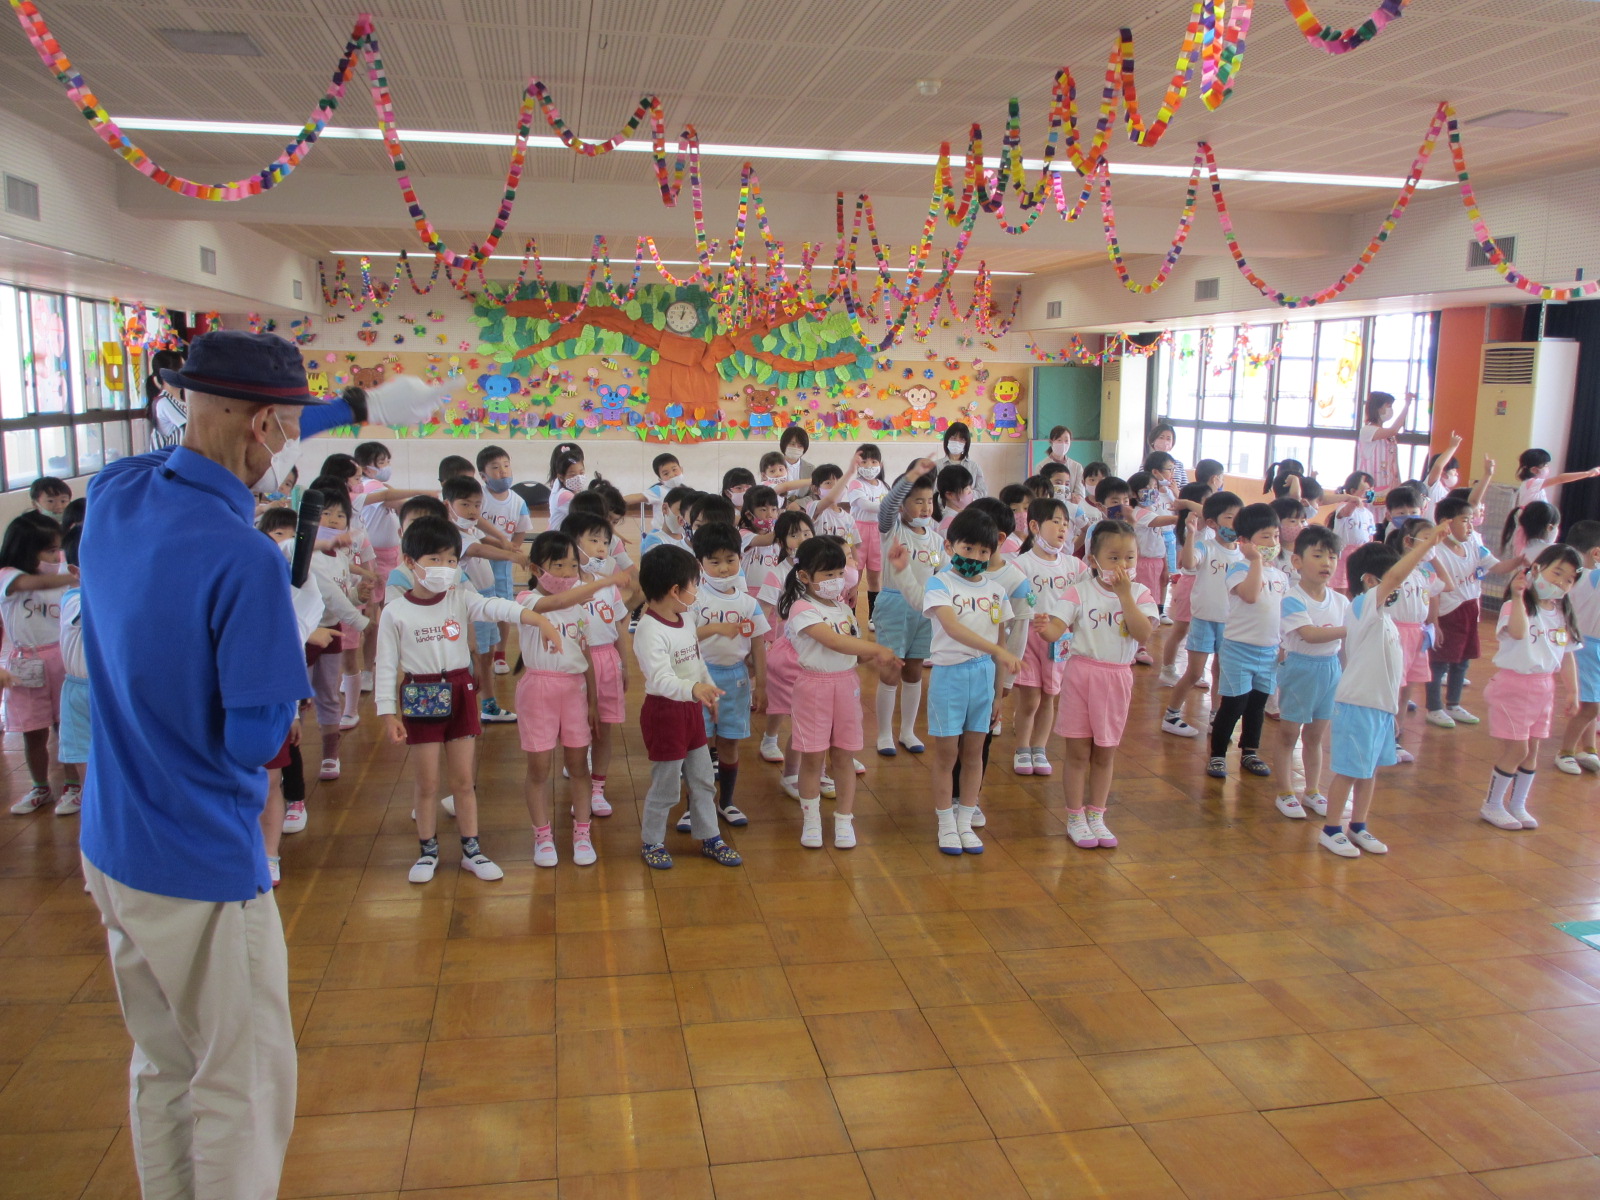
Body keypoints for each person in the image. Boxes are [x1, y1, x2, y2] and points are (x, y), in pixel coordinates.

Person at [78, 330, 320, 1198]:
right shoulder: (246, 560)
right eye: (287, 428)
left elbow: (215, 435)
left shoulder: (114, 492)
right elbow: (255, 741)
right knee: (243, 1085)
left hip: (113, 841)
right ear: (262, 425)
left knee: (164, 1063)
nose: (289, 446)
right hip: (201, 862)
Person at [376, 515, 560, 883]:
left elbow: (497, 608)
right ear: (410, 562)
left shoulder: (461, 597)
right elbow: (384, 666)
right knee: (427, 783)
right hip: (421, 694)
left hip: (460, 689)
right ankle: (427, 851)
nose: (444, 568)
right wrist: (386, 713)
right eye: (434, 559)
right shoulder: (395, 611)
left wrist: (536, 617)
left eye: (450, 560)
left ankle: (471, 849)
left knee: (463, 780)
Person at [1317, 529, 1443, 856]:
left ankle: (1358, 826)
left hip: (1379, 708)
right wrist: (1427, 544)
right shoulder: (1363, 605)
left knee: (1369, 769)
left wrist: (1391, 713)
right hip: (1357, 705)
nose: (1400, 587)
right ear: (1372, 580)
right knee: (1349, 769)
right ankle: (1331, 829)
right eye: (1394, 581)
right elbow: (1398, 573)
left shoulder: (1385, 618)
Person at [1037, 518, 1157, 850]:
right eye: (1114, 557)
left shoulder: (1141, 594)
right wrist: (1043, 626)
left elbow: (1143, 633)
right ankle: (1075, 815)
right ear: (1093, 560)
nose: (1123, 565)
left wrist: (1125, 597)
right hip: (1081, 674)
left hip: (1117, 677)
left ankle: (1097, 815)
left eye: (1130, 557)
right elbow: (1055, 630)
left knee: (1105, 752)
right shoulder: (1079, 591)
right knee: (1077, 752)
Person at [783, 536, 899, 848]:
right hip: (814, 687)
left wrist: (879, 660)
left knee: (844, 757)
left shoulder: (844, 610)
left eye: (838, 573)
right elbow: (833, 642)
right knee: (813, 758)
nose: (836, 580)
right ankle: (811, 820)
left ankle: (844, 820)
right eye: (827, 574)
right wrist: (877, 648)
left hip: (846, 684)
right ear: (805, 576)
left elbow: (855, 652)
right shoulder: (801, 608)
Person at [633, 545, 744, 869]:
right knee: (667, 785)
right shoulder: (649, 630)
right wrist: (694, 689)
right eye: (694, 585)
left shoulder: (685, 618)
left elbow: (696, 661)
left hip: (691, 709)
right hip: (664, 713)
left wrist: (707, 692)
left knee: (702, 779)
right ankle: (651, 841)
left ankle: (710, 836)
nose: (697, 591)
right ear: (674, 590)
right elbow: (661, 678)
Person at [921, 510, 1023, 855]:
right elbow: (952, 627)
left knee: (974, 752)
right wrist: (996, 649)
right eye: (968, 549)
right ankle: (945, 822)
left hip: (983, 676)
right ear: (950, 545)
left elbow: (1001, 645)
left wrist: (998, 693)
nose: (976, 557)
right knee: (947, 754)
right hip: (949, 675)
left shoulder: (996, 591)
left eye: (984, 551)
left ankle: (965, 820)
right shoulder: (940, 583)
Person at [1478, 545, 1582, 831]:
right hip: (1514, 686)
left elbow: (1567, 654)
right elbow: (1519, 633)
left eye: (1568, 579)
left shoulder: (1561, 612)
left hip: (1543, 688)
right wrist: (1516, 594)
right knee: (1517, 750)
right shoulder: (1516, 606)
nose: (1560, 582)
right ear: (1536, 569)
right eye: (1556, 573)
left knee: (1533, 750)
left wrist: (1573, 691)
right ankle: (1493, 804)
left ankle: (1518, 803)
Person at [515, 530, 601, 867]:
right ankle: (543, 836)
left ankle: (582, 832)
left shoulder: (580, 607)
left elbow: (586, 654)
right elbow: (556, 603)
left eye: (573, 565)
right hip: (538, 690)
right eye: (558, 565)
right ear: (537, 569)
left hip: (574, 689)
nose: (567, 573)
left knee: (579, 766)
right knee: (538, 769)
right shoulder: (526, 600)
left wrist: (593, 700)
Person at [688, 522, 769, 830]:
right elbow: (683, 637)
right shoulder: (694, 599)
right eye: (715, 562)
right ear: (701, 564)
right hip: (701, 678)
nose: (723, 569)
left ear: (740, 558)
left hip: (735, 680)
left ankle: (726, 802)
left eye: (730, 560)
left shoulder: (748, 603)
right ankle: (695, 804)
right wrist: (714, 628)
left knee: (730, 743)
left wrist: (761, 684)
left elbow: (759, 644)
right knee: (698, 744)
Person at [1, 511, 79, 815]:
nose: (56, 555)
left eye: (58, 549)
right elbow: (33, 583)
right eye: (49, 549)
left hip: (61, 658)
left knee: (66, 728)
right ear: (25, 549)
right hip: (25, 665)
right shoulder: (7, 575)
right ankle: (39, 788)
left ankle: (73, 786)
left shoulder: (62, 570)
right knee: (32, 731)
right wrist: (75, 575)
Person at [1273, 526, 1349, 820]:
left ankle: (1313, 790)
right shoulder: (1293, 598)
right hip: (1300, 668)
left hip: (1330, 670)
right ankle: (1285, 791)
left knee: (1316, 736)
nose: (1326, 563)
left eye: (1332, 556)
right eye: (1317, 555)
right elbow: (1310, 635)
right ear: (1297, 562)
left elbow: (1341, 647)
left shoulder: (1341, 602)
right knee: (1289, 733)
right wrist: (1352, 628)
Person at [1207, 502, 1288, 779]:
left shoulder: (1280, 576)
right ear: (1244, 541)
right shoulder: (1239, 569)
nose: (1273, 542)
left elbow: (1284, 614)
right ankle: (1217, 754)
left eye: (1276, 536)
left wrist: (1283, 645)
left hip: (1269, 650)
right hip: (1239, 649)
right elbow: (1251, 596)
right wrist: (1255, 561)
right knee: (1233, 704)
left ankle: (1250, 752)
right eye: (1265, 536)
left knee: (1257, 704)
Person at [1010, 497, 1081, 774]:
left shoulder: (1074, 566)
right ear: (1035, 526)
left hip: (1059, 639)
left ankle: (1039, 748)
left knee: (1050, 696)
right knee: (1030, 699)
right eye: (1056, 521)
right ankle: (1022, 748)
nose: (1062, 528)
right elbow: (1011, 600)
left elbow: (1085, 596)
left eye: (1066, 523)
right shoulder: (1022, 564)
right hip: (1029, 636)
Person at [876, 458, 941, 756]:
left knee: (914, 671)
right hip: (893, 604)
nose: (926, 507)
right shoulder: (892, 530)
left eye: (929, 501)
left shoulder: (937, 540)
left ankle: (907, 731)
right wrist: (911, 474)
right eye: (918, 501)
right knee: (891, 669)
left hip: (924, 609)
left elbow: (944, 574)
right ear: (903, 504)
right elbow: (887, 506)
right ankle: (884, 734)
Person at [478, 444, 533, 674]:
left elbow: (521, 529)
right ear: (483, 475)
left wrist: (514, 548)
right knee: (481, 605)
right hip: (480, 560)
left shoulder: (518, 501)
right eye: (495, 468)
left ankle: (500, 654)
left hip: (503, 563)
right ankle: (481, 648)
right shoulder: (478, 498)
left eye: (506, 466)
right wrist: (502, 544)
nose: (503, 471)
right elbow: (476, 533)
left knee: (503, 605)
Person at [1556, 520, 1600, 775]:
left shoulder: (1580, 576)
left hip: (1588, 645)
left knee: (1594, 700)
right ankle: (1566, 751)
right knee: (1590, 705)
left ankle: (1589, 748)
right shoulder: (1591, 576)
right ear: (1596, 553)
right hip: (1587, 648)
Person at [845, 444, 888, 619]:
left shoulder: (884, 485)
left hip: (878, 533)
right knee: (855, 577)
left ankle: (873, 617)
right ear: (857, 465)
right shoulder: (856, 483)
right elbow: (865, 505)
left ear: (881, 464)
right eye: (864, 462)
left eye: (873, 461)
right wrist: (891, 506)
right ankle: (851, 617)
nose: (869, 466)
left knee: (874, 579)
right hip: (858, 532)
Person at [1354, 390, 1412, 493]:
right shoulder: (1367, 430)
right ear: (1378, 408)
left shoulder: (1388, 436)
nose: (1391, 410)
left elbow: (1394, 462)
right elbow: (1393, 430)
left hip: (1389, 486)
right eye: (1388, 406)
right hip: (1372, 487)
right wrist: (1407, 405)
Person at [1514, 447, 1600, 507]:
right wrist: (1587, 473)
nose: (1548, 468)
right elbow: (1561, 478)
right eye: (1546, 465)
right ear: (1534, 470)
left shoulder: (1531, 484)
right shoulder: (1533, 483)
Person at [935, 421, 988, 497]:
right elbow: (933, 492)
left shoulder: (974, 466)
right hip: (943, 507)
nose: (957, 442)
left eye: (961, 439)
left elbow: (982, 492)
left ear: (966, 443)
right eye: (953, 438)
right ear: (947, 440)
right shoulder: (937, 465)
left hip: (969, 507)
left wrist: (965, 494)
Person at [1037, 425, 1085, 500]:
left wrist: (1074, 498)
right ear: (1051, 441)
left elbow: (1080, 494)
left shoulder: (1077, 467)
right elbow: (1039, 492)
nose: (1063, 444)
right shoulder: (1041, 466)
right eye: (1059, 440)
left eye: (1066, 441)